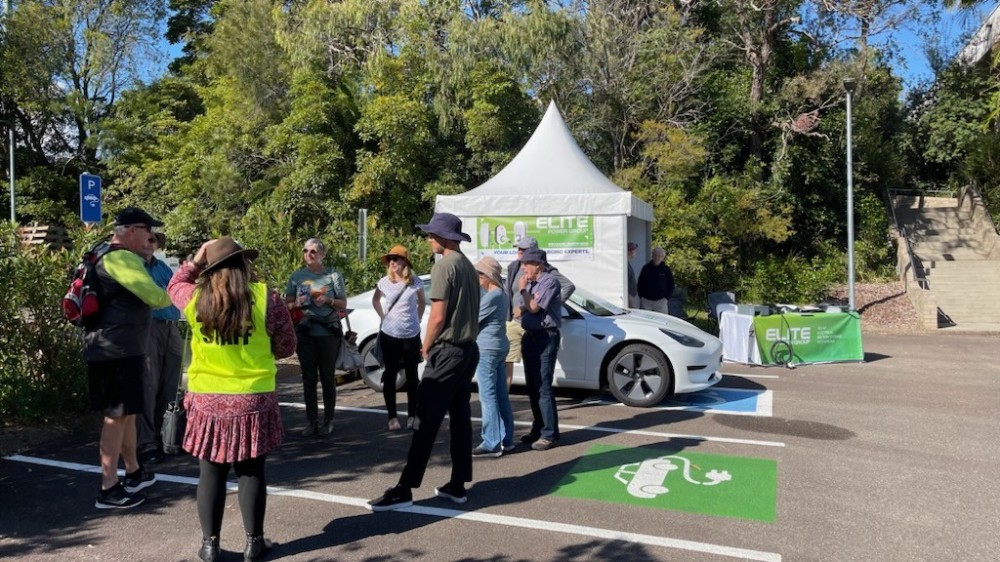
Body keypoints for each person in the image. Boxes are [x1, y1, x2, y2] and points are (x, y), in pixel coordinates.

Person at [167, 237, 296, 562]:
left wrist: (196, 258)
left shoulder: (195, 298)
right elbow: (286, 346)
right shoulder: (267, 298)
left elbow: (174, 284)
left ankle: (210, 545)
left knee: (211, 474)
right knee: (252, 471)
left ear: (209, 270)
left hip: (207, 400)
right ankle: (254, 542)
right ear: (243, 264)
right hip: (253, 398)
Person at [368, 212, 480, 511]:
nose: (428, 239)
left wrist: (425, 346)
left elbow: (439, 315)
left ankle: (404, 488)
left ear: (444, 237)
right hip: (468, 350)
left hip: (449, 352)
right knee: (460, 419)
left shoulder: (444, 266)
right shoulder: (467, 266)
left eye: (432, 235)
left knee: (424, 420)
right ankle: (458, 483)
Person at [87, 207, 172, 510]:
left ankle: (133, 471)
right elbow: (154, 296)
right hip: (114, 350)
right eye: (148, 230)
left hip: (123, 348)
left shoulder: (105, 252)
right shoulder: (121, 258)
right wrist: (174, 292)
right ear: (132, 230)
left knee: (129, 413)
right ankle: (108, 488)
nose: (152, 236)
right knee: (115, 417)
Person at [284, 238, 347, 437]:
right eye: (305, 251)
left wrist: (327, 300)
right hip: (305, 331)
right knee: (309, 378)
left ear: (322, 254)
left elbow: (343, 303)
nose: (308, 255)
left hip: (328, 332)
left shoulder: (333, 275)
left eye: (312, 251)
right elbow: (287, 305)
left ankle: (328, 420)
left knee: (327, 376)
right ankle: (311, 421)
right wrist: (298, 303)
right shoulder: (296, 277)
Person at [136, 232, 184, 465]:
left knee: (171, 386)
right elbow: (149, 297)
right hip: (149, 327)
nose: (151, 244)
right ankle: (145, 443)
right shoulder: (135, 267)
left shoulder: (162, 267)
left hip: (171, 326)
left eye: (155, 240)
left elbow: (176, 291)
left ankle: (165, 437)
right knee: (149, 385)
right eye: (148, 239)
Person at [503, 236, 574, 389]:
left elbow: (568, 286)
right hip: (514, 322)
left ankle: (540, 405)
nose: (519, 252)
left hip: (537, 324)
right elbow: (508, 292)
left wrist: (551, 303)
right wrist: (509, 313)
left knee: (538, 376)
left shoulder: (546, 271)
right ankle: (504, 402)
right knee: (507, 361)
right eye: (518, 249)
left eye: (523, 249)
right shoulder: (515, 267)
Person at [372, 244, 425, 431]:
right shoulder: (384, 282)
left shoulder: (415, 282)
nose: (392, 262)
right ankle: (392, 417)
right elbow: (375, 300)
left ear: (405, 262)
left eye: (396, 259)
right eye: (390, 259)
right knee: (390, 374)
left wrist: (417, 319)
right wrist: (383, 317)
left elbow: (422, 302)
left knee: (412, 376)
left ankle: (412, 415)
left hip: (411, 334)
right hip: (390, 335)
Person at [515, 248, 562, 451]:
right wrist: (527, 301)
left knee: (543, 386)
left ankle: (549, 434)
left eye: (527, 264)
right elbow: (521, 309)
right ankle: (538, 427)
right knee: (532, 386)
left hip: (545, 337)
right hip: (530, 336)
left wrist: (524, 292)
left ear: (539, 265)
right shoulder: (532, 284)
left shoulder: (549, 281)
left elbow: (534, 307)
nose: (524, 267)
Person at [471, 256, 514, 458]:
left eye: (480, 274)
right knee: (500, 394)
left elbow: (473, 319)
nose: (478, 277)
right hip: (498, 345)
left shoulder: (493, 295)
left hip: (487, 348)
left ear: (489, 276)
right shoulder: (501, 294)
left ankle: (491, 441)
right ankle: (507, 439)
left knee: (487, 395)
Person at [637, 246, 674, 314]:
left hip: (661, 301)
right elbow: (640, 283)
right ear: (652, 256)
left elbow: (671, 285)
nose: (657, 257)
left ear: (663, 257)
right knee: (645, 322)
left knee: (662, 321)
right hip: (646, 301)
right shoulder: (646, 268)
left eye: (660, 256)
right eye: (655, 255)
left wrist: (666, 298)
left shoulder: (666, 269)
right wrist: (642, 297)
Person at [627, 242, 639, 308]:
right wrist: (630, 299)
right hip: (629, 298)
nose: (635, 253)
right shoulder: (626, 266)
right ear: (630, 252)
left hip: (630, 297)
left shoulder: (628, 264)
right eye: (634, 251)